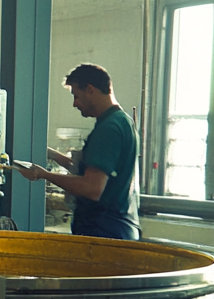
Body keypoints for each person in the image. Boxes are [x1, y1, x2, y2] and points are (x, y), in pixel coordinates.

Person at [13, 63, 139, 240]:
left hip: (104, 232)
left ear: (90, 89)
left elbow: (92, 188)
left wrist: (43, 174)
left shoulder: (109, 128)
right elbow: (90, 169)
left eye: (76, 96)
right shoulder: (121, 122)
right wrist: (52, 154)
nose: (74, 103)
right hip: (115, 230)